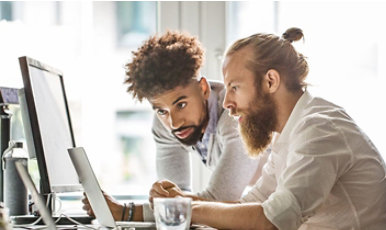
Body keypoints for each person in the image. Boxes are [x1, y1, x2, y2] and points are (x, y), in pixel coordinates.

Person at [150, 28, 386, 229]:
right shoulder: (289, 134)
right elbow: (253, 203)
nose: (227, 103)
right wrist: (182, 202)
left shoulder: (320, 128)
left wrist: (187, 210)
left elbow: (271, 221)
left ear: (270, 81)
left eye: (235, 88)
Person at [82, 31, 264, 221]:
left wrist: (126, 212)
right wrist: (164, 199)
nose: (174, 122)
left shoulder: (235, 115)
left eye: (181, 105)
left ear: (203, 89)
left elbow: (217, 203)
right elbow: (175, 202)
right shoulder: (165, 126)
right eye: (161, 110)